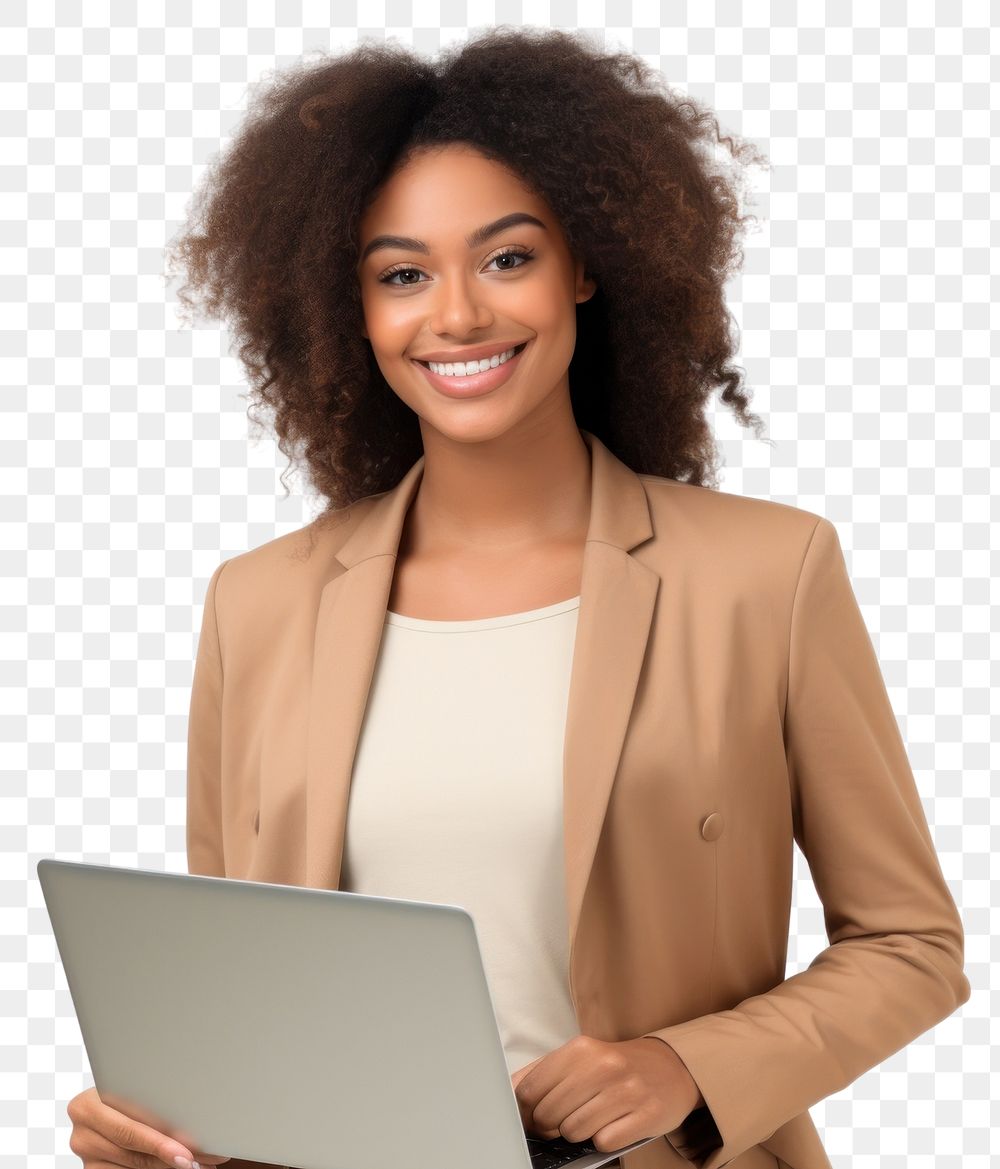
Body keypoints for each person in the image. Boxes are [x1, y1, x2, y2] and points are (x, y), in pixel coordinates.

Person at [66, 25, 970, 1169]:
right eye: (401, 273)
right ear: (348, 308)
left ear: (584, 263)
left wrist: (688, 1065)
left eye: (505, 258)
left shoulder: (763, 575)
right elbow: (233, 989)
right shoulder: (259, 604)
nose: (455, 316)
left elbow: (909, 942)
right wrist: (154, 1115)